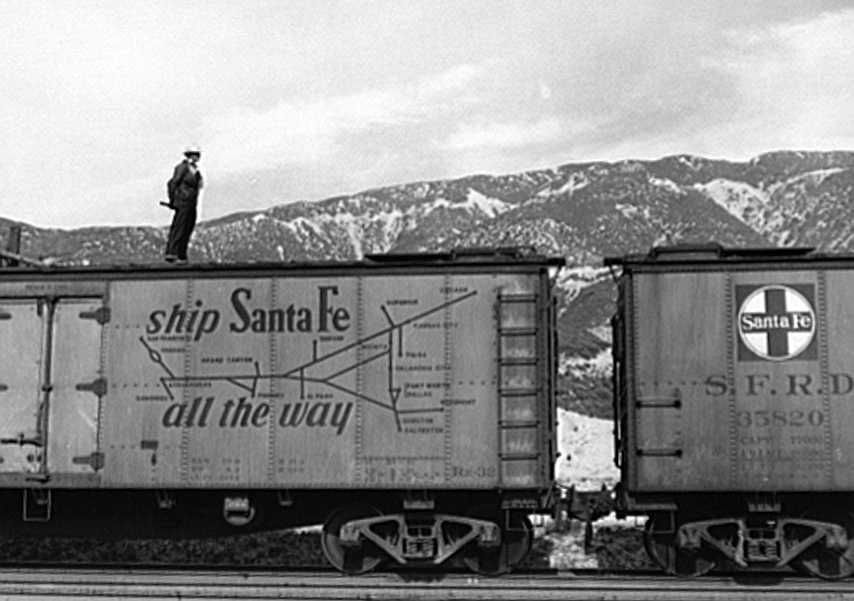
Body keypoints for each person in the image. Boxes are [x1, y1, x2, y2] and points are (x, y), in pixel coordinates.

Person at [164, 145, 204, 263]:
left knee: (188, 227)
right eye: (194, 154)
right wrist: (173, 200)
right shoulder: (182, 168)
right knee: (179, 227)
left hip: (192, 203)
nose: (197, 157)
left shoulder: (195, 170)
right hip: (183, 202)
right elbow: (172, 183)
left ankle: (181, 254)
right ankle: (172, 252)